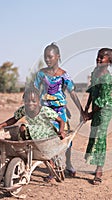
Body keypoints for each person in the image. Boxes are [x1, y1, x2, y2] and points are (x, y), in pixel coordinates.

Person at [34, 42, 85, 177]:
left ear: (58, 56)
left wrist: (82, 111)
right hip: (45, 110)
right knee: (47, 138)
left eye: (50, 57)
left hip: (60, 111)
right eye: (46, 57)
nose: (47, 60)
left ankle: (68, 163)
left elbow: (72, 93)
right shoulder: (41, 74)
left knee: (65, 138)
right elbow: (34, 90)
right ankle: (53, 169)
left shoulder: (64, 75)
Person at [84, 47, 112, 185]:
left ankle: (99, 170)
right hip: (95, 107)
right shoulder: (95, 73)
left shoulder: (107, 78)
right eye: (98, 56)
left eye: (102, 57)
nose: (98, 59)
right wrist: (86, 109)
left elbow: (103, 101)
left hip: (104, 110)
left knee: (100, 137)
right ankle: (97, 164)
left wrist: (91, 114)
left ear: (109, 61)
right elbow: (92, 92)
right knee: (93, 134)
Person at [0, 86, 66, 141]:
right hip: (33, 131)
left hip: (46, 133)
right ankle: (26, 144)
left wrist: (61, 131)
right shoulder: (24, 109)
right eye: (27, 101)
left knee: (24, 127)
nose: (30, 104)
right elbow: (14, 119)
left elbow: (61, 121)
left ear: (39, 101)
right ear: (24, 101)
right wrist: (0, 126)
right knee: (22, 128)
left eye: (34, 101)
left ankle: (44, 153)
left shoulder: (45, 110)